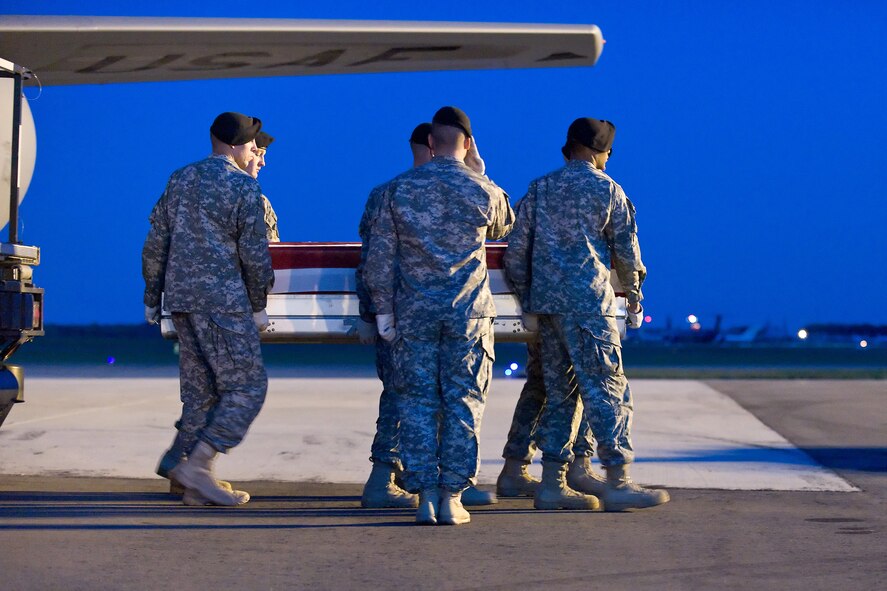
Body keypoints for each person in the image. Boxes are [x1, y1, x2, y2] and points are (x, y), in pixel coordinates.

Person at [503, 117, 669, 511]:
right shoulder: (606, 190)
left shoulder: (539, 190)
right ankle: (618, 480)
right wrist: (634, 295)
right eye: (609, 152)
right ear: (599, 151)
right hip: (589, 305)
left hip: (547, 309)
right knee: (608, 391)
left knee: (561, 394)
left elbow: (514, 254)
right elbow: (628, 254)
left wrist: (529, 300)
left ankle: (552, 484)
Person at [364, 106, 514, 525]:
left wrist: (383, 309)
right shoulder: (481, 190)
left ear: (430, 144)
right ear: (467, 144)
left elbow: (379, 258)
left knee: (417, 402)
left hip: (413, 315)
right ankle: (453, 497)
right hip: (467, 315)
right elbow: (505, 226)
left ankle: (426, 494)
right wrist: (481, 172)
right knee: (464, 402)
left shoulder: (397, 190)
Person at [143, 111, 274, 507]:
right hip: (223, 303)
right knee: (247, 388)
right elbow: (256, 255)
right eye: (252, 146)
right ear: (236, 147)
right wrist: (257, 306)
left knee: (201, 393)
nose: (255, 152)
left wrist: (153, 298)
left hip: (181, 302)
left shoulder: (180, 179)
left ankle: (186, 477)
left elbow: (155, 244)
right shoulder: (242, 188)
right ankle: (197, 465)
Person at [496, 339, 603, 498]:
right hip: (567, 319)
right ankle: (576, 469)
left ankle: (515, 469)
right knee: (574, 375)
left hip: (540, 318)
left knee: (540, 381)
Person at [245, 130, 281, 242]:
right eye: (257, 154)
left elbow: (274, 248)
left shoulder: (261, 202)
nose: (262, 163)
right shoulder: (256, 201)